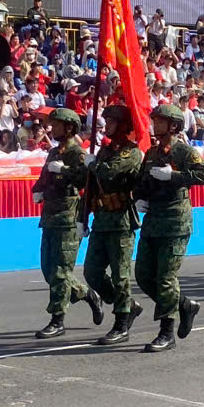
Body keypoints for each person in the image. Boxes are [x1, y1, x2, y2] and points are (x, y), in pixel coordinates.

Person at [132, 103, 204, 352]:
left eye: (160, 120)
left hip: (176, 222)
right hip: (153, 221)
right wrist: (139, 197)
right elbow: (142, 181)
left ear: (174, 125)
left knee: (166, 279)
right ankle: (185, 305)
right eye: (154, 120)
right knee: (144, 275)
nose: (155, 124)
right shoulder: (151, 153)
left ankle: (167, 332)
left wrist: (174, 176)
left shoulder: (184, 151)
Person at [29, 107, 104, 339]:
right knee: (48, 269)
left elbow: (85, 180)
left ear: (69, 128)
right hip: (50, 215)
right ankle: (88, 294)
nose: (53, 128)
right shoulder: (53, 152)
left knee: (61, 271)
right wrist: (38, 190)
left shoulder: (77, 153)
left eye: (57, 125)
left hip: (69, 216)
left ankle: (57, 319)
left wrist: (66, 170)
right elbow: (44, 177)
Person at [84, 104, 145, 346]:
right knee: (92, 272)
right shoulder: (104, 151)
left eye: (111, 121)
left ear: (122, 125)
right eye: (106, 121)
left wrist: (92, 164)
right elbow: (92, 186)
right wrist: (82, 218)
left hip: (121, 221)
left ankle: (121, 322)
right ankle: (127, 305)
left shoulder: (131, 152)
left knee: (120, 276)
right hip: (101, 220)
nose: (106, 125)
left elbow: (109, 172)